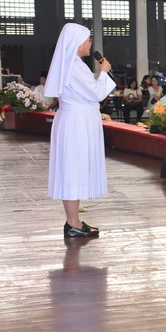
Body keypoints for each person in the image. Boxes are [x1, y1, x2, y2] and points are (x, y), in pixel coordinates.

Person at [46, 23, 116, 238]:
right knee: (73, 171)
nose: (90, 44)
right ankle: (73, 223)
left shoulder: (70, 64)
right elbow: (96, 94)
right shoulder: (75, 66)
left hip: (74, 121)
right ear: (77, 43)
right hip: (77, 124)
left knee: (72, 170)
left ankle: (73, 221)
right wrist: (103, 73)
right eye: (88, 40)